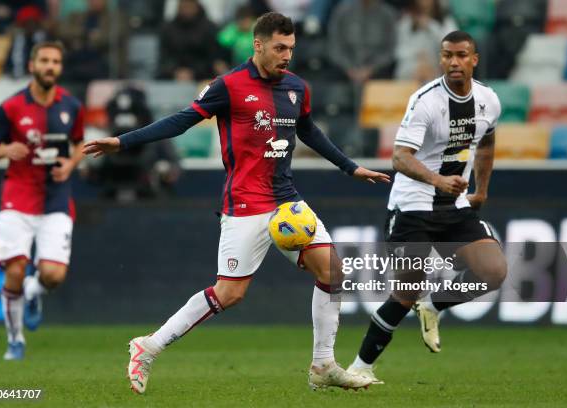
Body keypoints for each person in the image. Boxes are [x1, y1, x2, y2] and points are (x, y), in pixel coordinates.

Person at [83, 12, 390, 394]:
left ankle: (323, 364)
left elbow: (307, 129)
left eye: (291, 48)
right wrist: (121, 141)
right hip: (245, 204)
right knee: (229, 293)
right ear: (257, 45)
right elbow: (180, 121)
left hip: (287, 201)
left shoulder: (297, 87)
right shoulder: (228, 86)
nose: (287, 56)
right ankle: (147, 347)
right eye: (279, 48)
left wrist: (350, 167)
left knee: (333, 271)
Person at [346, 31, 507, 383]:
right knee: (406, 290)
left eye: (461, 55)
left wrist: (482, 189)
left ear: (474, 60)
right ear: (441, 58)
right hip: (412, 206)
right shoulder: (425, 101)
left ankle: (434, 306)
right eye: (447, 55)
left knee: (493, 272)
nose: (453, 62)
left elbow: (487, 143)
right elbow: (400, 157)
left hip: (455, 205)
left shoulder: (488, 100)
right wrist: (439, 181)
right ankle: (360, 368)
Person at [0, 41, 85, 360]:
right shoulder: (11, 107)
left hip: (55, 198)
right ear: (32, 65)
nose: (50, 66)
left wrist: (71, 164)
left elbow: (80, 143)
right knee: (15, 270)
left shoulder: (71, 106)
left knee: (53, 275)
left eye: (55, 61)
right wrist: (3, 151)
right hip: (18, 195)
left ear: (60, 68)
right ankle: (15, 340)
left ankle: (35, 291)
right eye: (44, 60)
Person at [394, 0, 458, 82]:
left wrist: (430, 26)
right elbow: (400, 52)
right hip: (411, 70)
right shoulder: (406, 21)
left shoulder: (446, 21)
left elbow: (453, 46)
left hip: (437, 68)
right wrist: (418, 61)